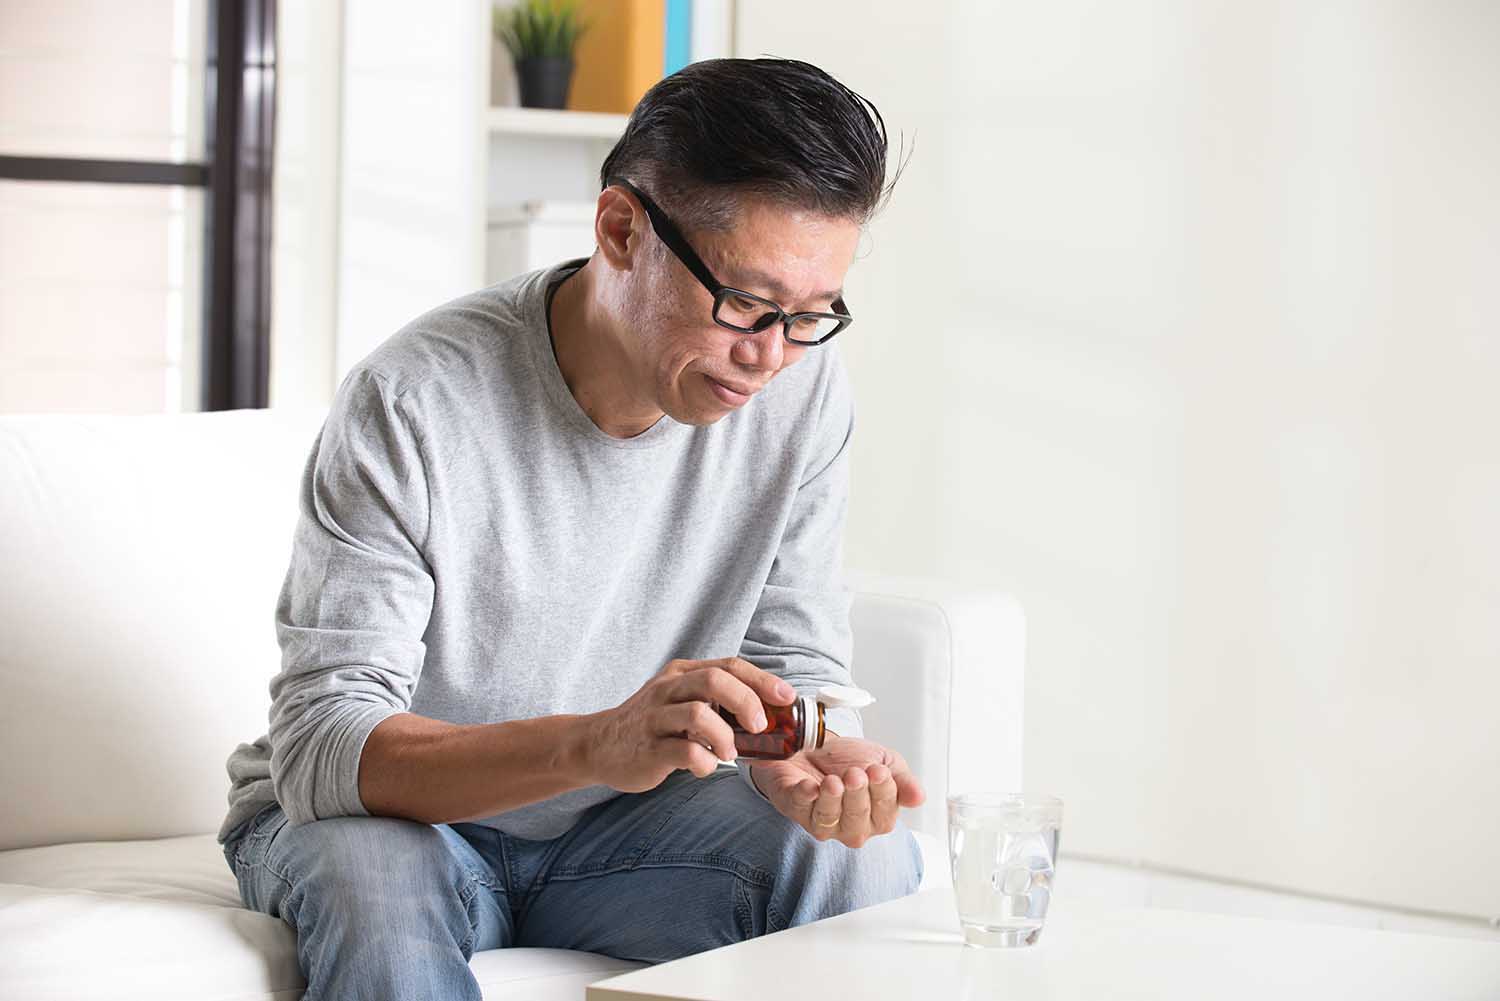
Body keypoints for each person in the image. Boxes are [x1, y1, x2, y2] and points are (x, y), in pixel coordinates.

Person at [218, 57, 924, 999]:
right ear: (621, 229)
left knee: (865, 866)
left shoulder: (802, 395)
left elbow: (788, 661)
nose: (767, 358)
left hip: (620, 837)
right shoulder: (415, 397)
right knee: (374, 882)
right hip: (396, 826)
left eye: (807, 317)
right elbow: (324, 746)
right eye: (746, 305)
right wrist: (596, 742)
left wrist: (797, 752)